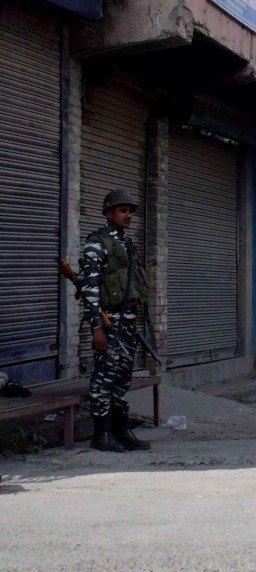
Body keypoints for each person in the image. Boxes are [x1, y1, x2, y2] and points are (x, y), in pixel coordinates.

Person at [80, 189, 151, 452]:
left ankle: (121, 431)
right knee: (104, 377)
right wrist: (96, 327)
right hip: (109, 322)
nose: (128, 215)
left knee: (122, 377)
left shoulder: (125, 243)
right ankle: (101, 435)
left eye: (130, 211)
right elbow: (90, 288)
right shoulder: (97, 244)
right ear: (108, 213)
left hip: (128, 322)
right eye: (122, 210)